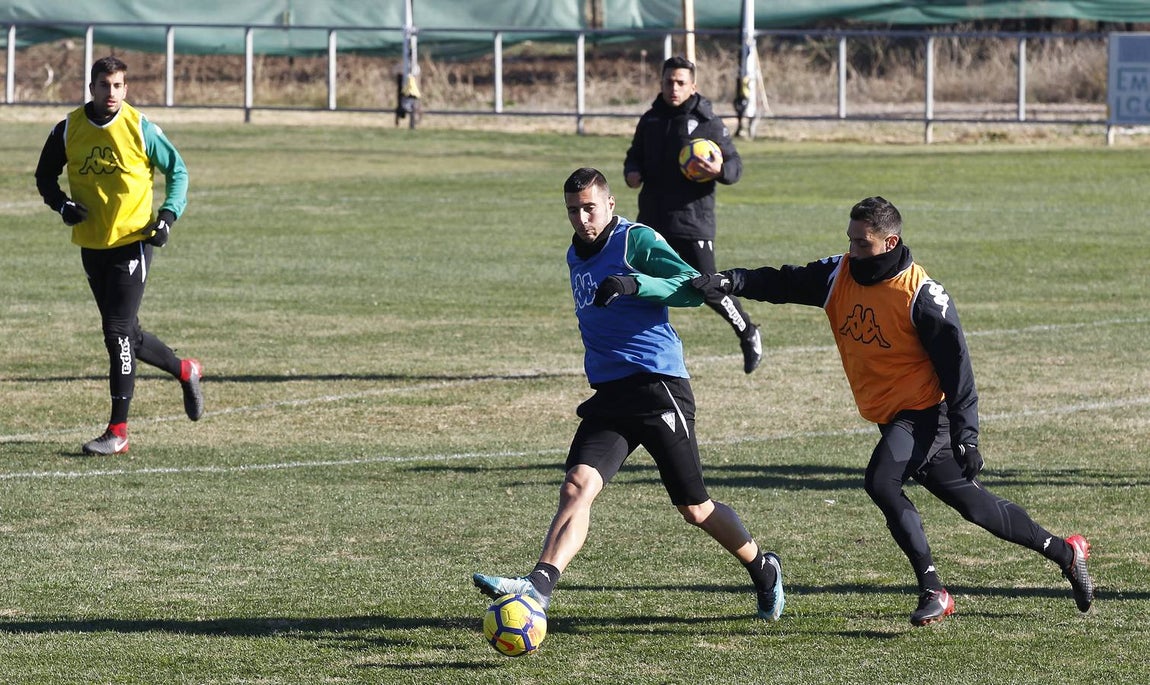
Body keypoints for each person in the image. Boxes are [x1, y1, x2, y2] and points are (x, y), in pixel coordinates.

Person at [691, 196, 1094, 625]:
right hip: (892, 417)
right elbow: (784, 282)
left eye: (862, 243)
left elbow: (958, 370)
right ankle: (1066, 552)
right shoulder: (838, 274)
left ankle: (934, 589)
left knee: (881, 482)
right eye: (850, 240)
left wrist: (968, 435)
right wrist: (732, 280)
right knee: (975, 507)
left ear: (890, 242)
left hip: (925, 415)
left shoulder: (922, 296)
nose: (852, 251)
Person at [472, 167, 785, 622]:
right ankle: (538, 586)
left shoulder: (634, 240)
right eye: (573, 211)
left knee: (695, 508)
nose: (582, 219)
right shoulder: (575, 253)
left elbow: (692, 288)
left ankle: (763, 567)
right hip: (611, 393)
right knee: (577, 486)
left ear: (610, 204)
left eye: (589, 208)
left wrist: (634, 283)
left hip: (657, 386)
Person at [34, 55, 203, 456]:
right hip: (92, 244)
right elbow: (44, 177)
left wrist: (167, 217)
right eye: (104, 85)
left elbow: (178, 171)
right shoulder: (68, 129)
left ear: (125, 89)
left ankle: (118, 431)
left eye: (118, 86)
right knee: (130, 335)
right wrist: (62, 205)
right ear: (91, 87)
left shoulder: (140, 127)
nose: (111, 93)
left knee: (115, 332)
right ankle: (186, 370)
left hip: (133, 241)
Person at [623, 56, 761, 374]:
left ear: (693, 86)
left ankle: (748, 332)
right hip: (652, 219)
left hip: (692, 221)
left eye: (680, 82)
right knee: (643, 288)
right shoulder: (650, 120)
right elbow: (634, 155)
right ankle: (645, 355)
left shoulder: (706, 121)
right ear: (661, 83)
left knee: (708, 286)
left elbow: (735, 165)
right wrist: (632, 171)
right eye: (669, 81)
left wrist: (719, 170)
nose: (674, 88)